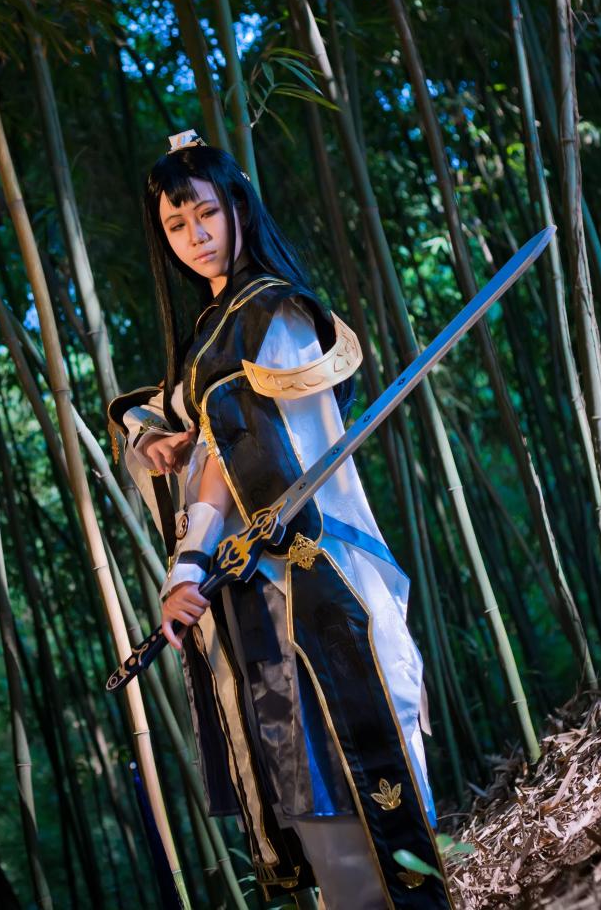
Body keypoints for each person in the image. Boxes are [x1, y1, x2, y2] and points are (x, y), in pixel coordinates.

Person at [106, 131, 452, 908]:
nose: (194, 236)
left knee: (366, 785)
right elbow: (174, 421)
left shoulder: (272, 312)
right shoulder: (206, 339)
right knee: (307, 789)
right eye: (175, 224)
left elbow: (239, 443)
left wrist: (187, 561)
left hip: (319, 578)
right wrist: (154, 438)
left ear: (238, 207)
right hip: (253, 602)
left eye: (205, 214)